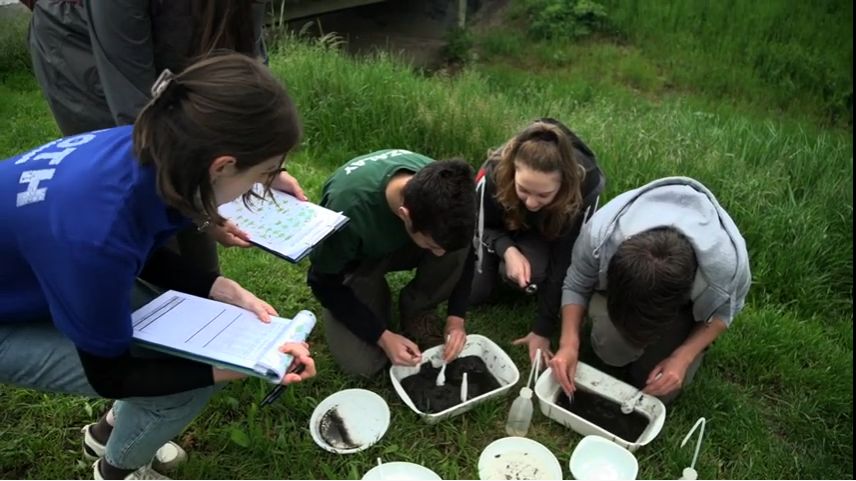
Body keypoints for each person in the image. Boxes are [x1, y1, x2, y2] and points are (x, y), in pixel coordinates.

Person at [0, 54, 316, 480]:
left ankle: (105, 432)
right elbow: (112, 373)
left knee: (165, 349)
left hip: (36, 272)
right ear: (221, 165)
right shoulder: (94, 237)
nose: (266, 184)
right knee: (182, 391)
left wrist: (219, 287)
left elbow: (135, 245)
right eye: (264, 173)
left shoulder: (152, 146)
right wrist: (235, 366)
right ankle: (115, 472)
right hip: (17, 309)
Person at [25, 0, 305, 276]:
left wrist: (264, 163)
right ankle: (153, 294)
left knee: (193, 210)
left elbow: (248, 67)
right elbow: (135, 114)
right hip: (86, 55)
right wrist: (200, 213)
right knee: (146, 192)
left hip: (171, 46)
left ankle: (207, 290)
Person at [550, 177, 751, 403]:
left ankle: (670, 343)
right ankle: (617, 334)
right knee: (611, 349)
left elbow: (725, 313)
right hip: (619, 296)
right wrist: (569, 344)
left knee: (663, 392)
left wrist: (682, 357)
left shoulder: (727, 270)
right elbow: (577, 282)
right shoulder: (601, 234)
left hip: (681, 311)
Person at [307, 150, 477, 378]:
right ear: (405, 215)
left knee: (454, 248)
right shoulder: (348, 210)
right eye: (431, 244)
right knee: (363, 365)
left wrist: (456, 318)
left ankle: (418, 309)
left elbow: (466, 252)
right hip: (359, 259)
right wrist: (382, 336)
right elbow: (322, 281)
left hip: (406, 239)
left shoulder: (450, 191)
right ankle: (372, 291)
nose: (439, 255)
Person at [470, 118, 605, 365]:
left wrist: (542, 329)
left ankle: (521, 272)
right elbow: (477, 226)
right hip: (498, 227)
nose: (531, 202)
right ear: (512, 172)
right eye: (523, 190)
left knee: (537, 273)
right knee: (475, 293)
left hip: (547, 233)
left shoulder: (587, 185)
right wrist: (507, 250)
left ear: (565, 183)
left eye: (543, 194)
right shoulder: (491, 174)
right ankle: (503, 265)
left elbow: (568, 258)